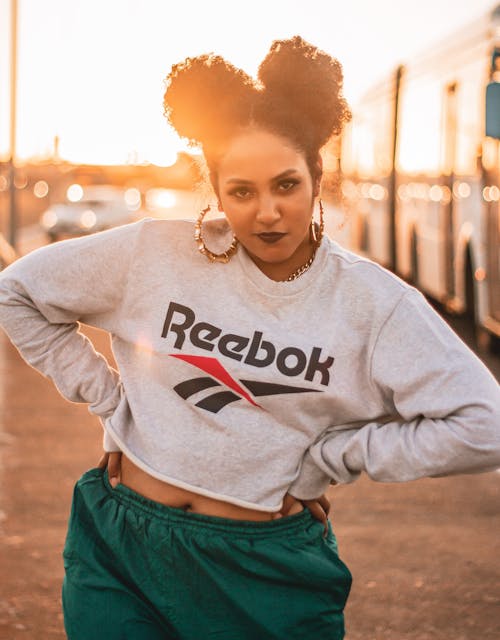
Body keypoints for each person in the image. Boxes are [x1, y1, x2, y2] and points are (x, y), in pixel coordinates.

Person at [0, 36, 499, 640]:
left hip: (265, 570)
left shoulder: (374, 304)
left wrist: (336, 456)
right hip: (122, 547)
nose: (267, 212)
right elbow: (17, 292)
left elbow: (483, 425)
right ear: (216, 190)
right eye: (242, 191)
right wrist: (110, 400)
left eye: (286, 185)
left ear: (318, 175)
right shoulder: (153, 254)